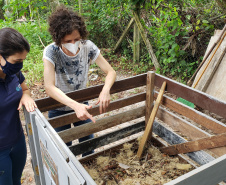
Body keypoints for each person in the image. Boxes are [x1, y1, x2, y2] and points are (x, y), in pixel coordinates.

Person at [43, 5, 116, 156]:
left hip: (83, 106)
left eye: (76, 39)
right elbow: (49, 87)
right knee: (64, 149)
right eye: (68, 40)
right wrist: (74, 105)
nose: (73, 43)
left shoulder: (87, 47)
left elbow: (110, 71)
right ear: (58, 39)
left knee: (88, 145)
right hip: (58, 108)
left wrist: (105, 90)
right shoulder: (51, 52)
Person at [0, 28, 37, 185]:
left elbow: (25, 89)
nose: (20, 66)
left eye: (23, 60)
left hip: (18, 140)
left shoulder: (13, 73)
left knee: (16, 180)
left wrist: (26, 96)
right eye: (17, 61)